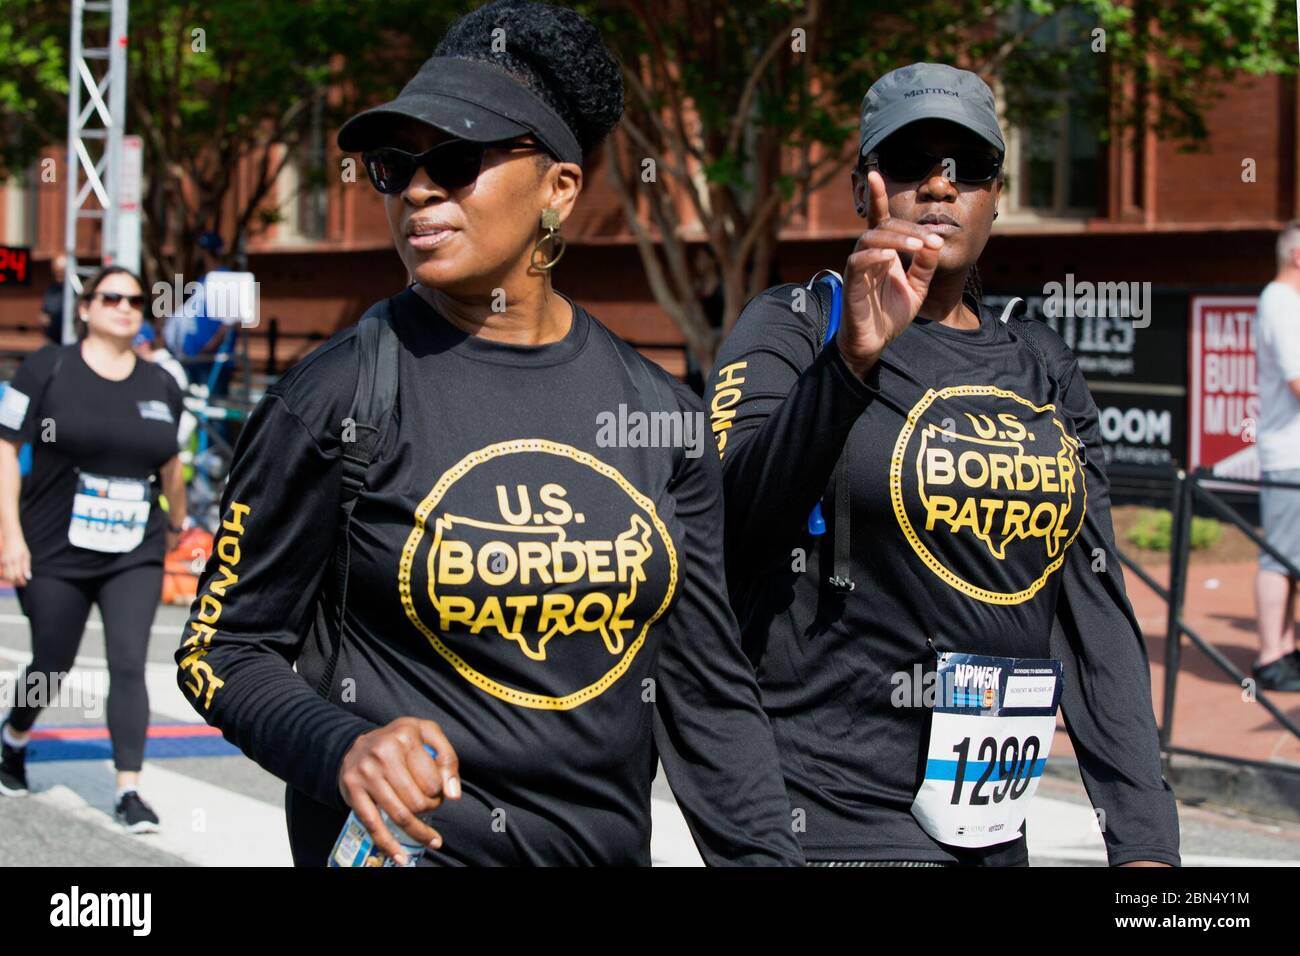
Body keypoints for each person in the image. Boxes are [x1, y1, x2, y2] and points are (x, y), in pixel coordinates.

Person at [175, 0, 801, 867]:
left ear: (560, 189)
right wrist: (340, 746)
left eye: (457, 160)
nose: (419, 190)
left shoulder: (662, 417)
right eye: (395, 168)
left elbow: (705, 694)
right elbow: (221, 649)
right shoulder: (336, 396)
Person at [705, 63, 1180, 866]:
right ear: (863, 189)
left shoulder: (1043, 363)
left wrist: (1146, 847)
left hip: (991, 827)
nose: (938, 185)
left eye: (966, 167)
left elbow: (1094, 615)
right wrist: (848, 367)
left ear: (997, 193)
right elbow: (729, 530)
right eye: (908, 162)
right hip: (827, 815)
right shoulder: (792, 325)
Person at [0, 266, 188, 833]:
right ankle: (14, 735)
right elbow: (5, 451)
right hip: (53, 546)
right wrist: (10, 535)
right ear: (85, 308)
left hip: (136, 549)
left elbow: (169, 462)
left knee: (129, 663)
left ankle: (129, 790)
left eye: (136, 300)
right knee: (52, 662)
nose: (126, 307)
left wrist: (178, 524)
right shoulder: (45, 369)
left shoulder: (162, 384)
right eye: (112, 297)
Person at [1252, 220, 1300, 692]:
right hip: (1290, 450)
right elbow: (1297, 380)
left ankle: (1284, 647)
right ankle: (1271, 654)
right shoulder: (1281, 302)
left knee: (1290, 556)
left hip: (1292, 450)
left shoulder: (1288, 302)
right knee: (1278, 556)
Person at [40, 254, 67, 344]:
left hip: (71, 339)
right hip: (53, 340)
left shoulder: (77, 288)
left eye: (61, 272)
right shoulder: (52, 289)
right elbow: (44, 311)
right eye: (56, 271)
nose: (58, 274)